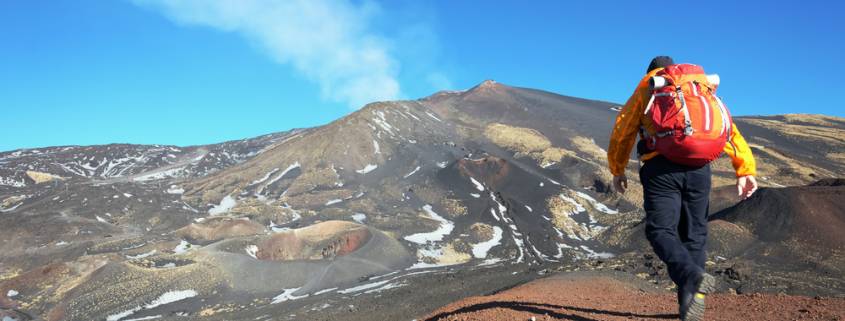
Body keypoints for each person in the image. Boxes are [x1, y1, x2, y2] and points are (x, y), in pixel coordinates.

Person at [607, 56, 758, 321]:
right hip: (700, 170)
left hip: (661, 168)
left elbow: (624, 129)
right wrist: (745, 170)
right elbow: (728, 131)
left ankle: (691, 276)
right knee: (695, 235)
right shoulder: (698, 88)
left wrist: (617, 168)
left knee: (660, 230)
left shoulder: (650, 86)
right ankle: (690, 304)